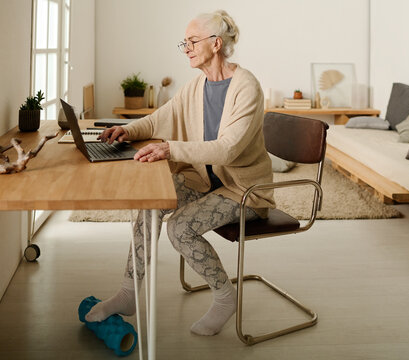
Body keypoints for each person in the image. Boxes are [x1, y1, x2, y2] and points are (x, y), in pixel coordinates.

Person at [86, 10, 274, 336]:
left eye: (192, 41)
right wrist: (127, 131)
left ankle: (225, 297)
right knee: (150, 203)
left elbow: (228, 148)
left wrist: (171, 148)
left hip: (243, 190)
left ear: (216, 44)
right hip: (204, 181)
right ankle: (129, 294)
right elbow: (161, 118)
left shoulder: (247, 87)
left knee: (180, 228)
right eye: (183, 43)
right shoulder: (196, 85)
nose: (186, 48)